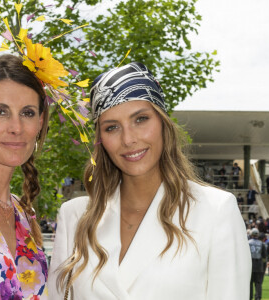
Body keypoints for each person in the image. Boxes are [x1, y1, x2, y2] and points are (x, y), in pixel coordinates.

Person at [48, 62, 251, 299]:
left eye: (141, 119)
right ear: (101, 138)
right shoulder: (74, 216)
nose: (128, 139)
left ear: (163, 123)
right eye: (112, 127)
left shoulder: (216, 210)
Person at [0, 54, 49, 298]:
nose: (16, 127)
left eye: (28, 113)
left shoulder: (23, 214)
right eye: (0, 111)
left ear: (40, 122)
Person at [249, 228, 267, 300]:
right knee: (258, 283)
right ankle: (258, 297)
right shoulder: (262, 244)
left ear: (251, 234)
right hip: (259, 265)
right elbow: (264, 256)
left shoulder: (248, 243)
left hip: (250, 265)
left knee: (250, 283)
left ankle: (249, 297)